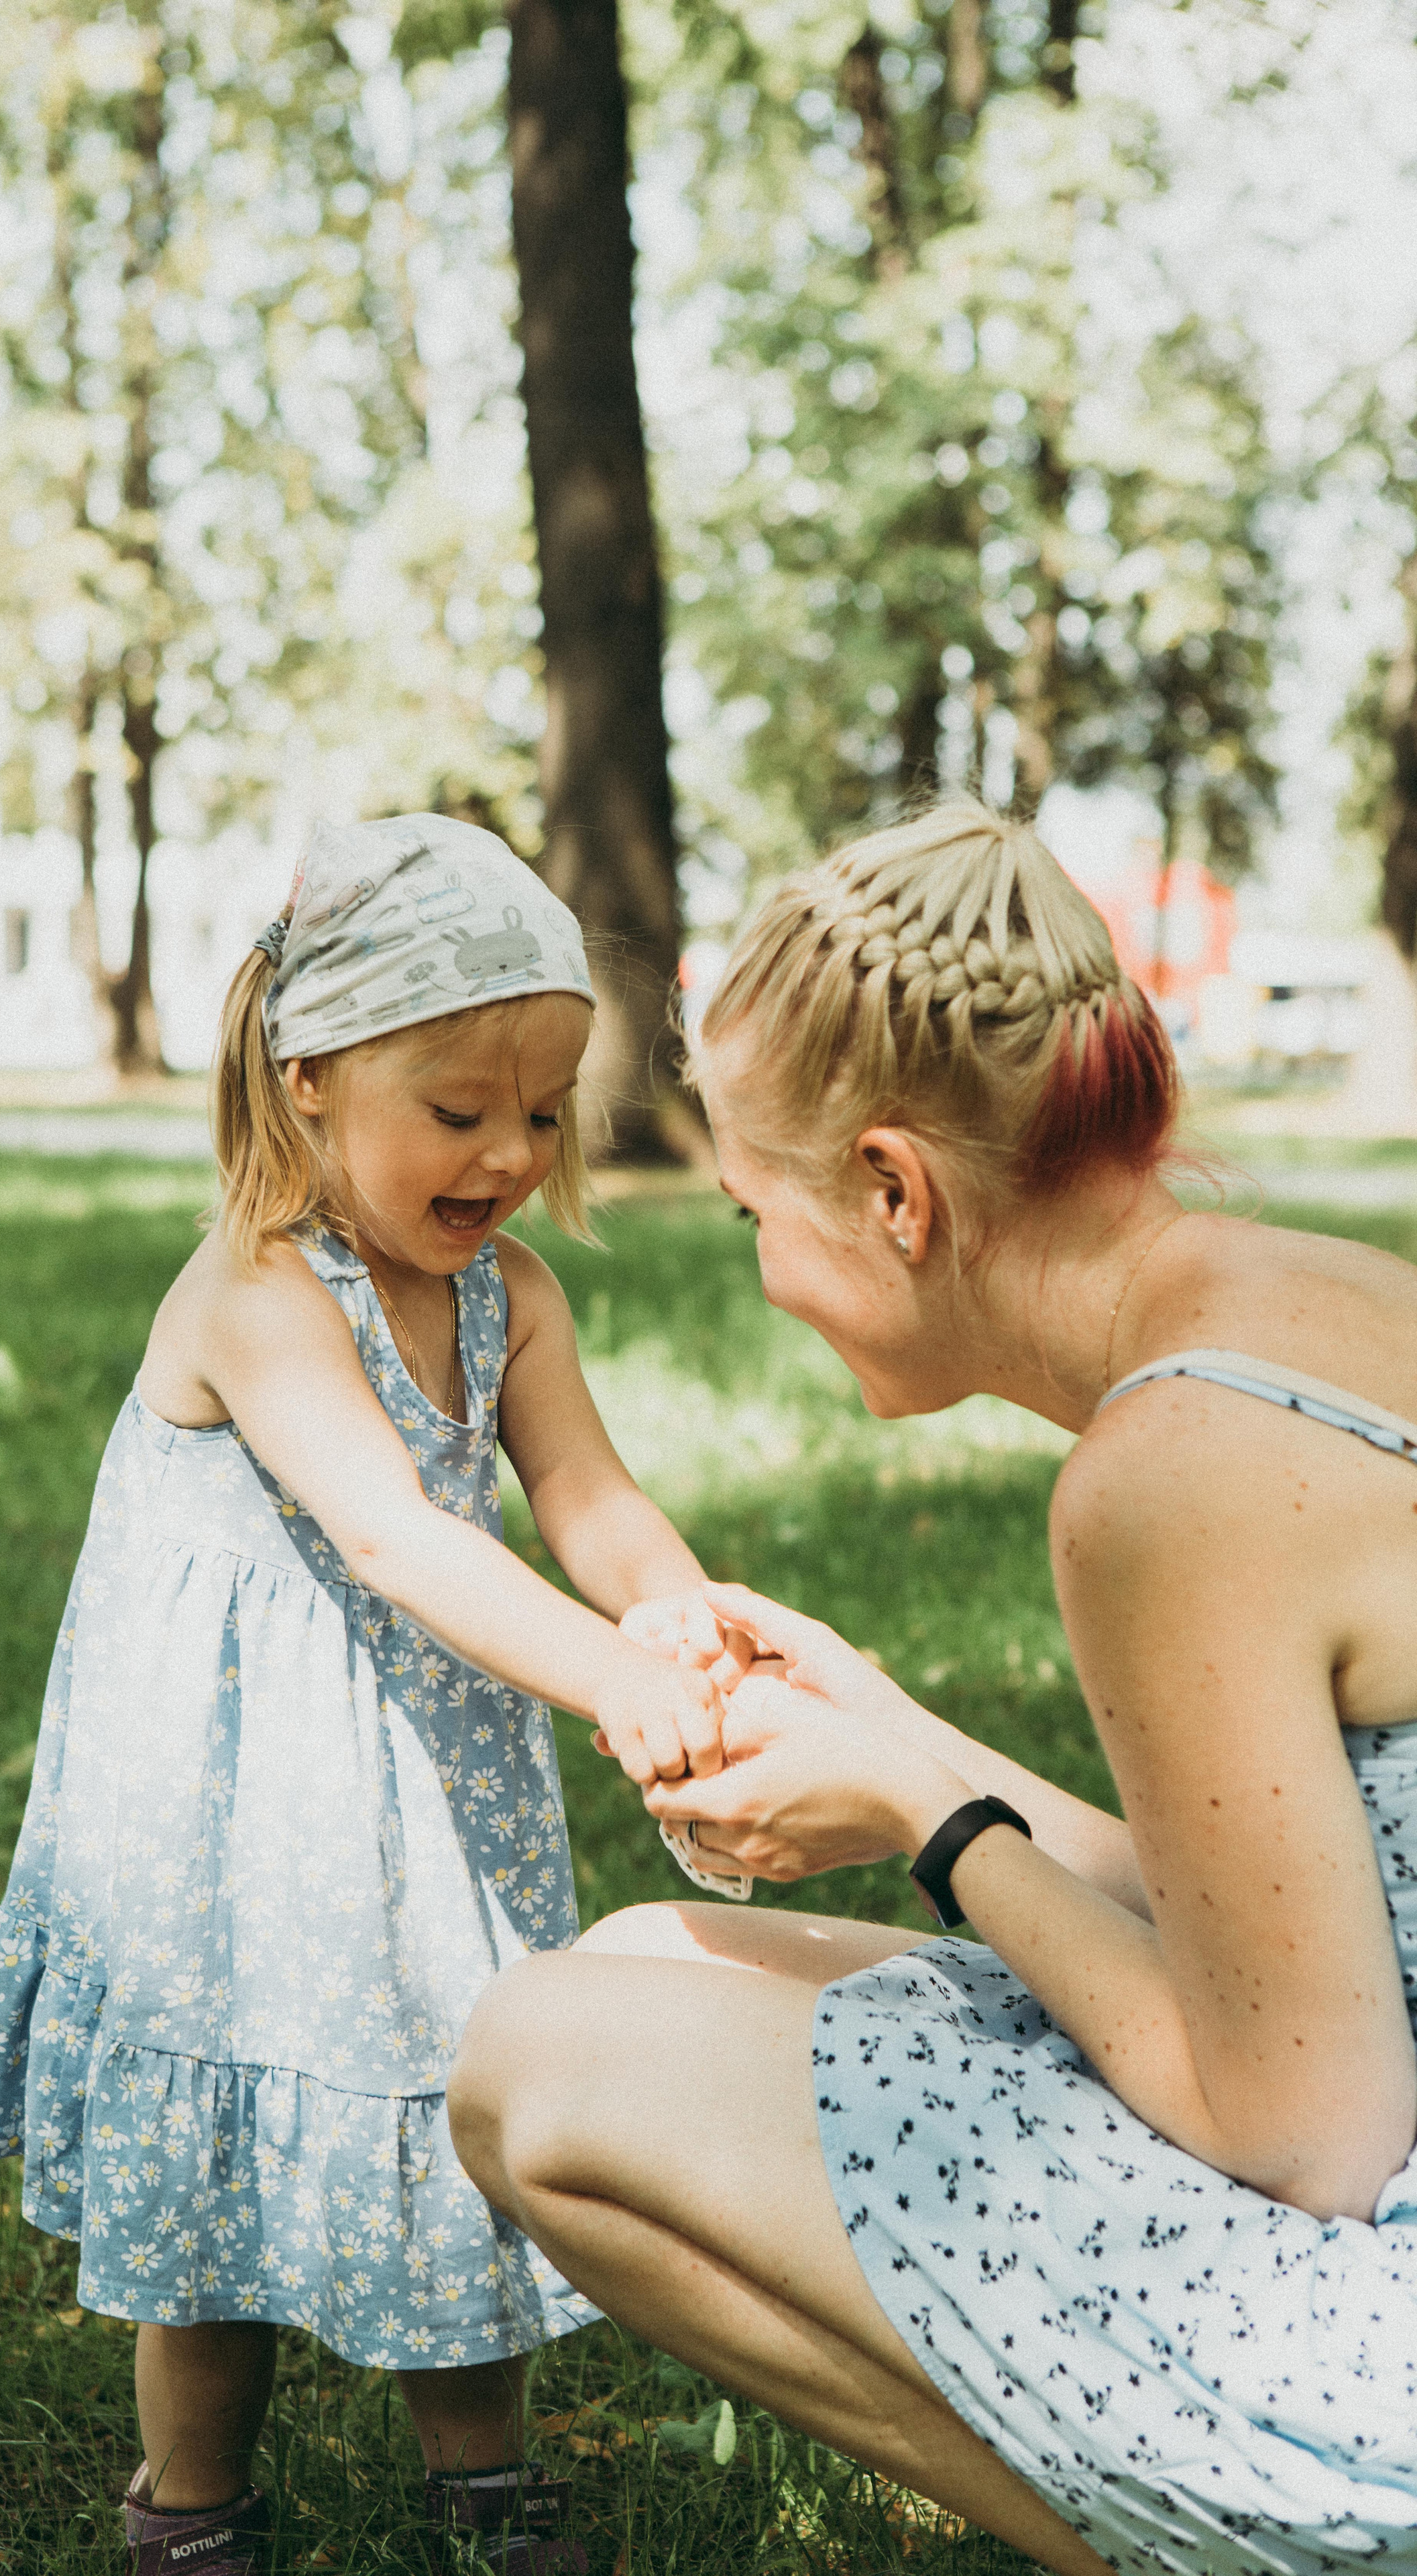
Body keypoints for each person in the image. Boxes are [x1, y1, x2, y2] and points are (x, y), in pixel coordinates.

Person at [451, 797, 1417, 2576]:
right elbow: (1304, 1912)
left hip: (1385, 2319)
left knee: (537, 2069)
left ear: (897, 1193)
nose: (759, 1270)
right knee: (641, 1963)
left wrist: (933, 1817)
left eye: (759, 1209)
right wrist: (894, 1730)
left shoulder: (1166, 1478)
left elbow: (1304, 2138)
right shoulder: (1315, 1302)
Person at [0, 813, 743, 2576]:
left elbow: (592, 1503)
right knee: (217, 2189)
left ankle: (488, 2489)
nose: (512, 1155)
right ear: (310, 1077)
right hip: (239, 1823)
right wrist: (610, 1679)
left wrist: (679, 1618)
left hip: (424, 1796)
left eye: (542, 1111)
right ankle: (191, 2510)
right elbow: (390, 1535)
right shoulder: (256, 1289)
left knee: (454, 2105)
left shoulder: (511, 1299)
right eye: (459, 1111)